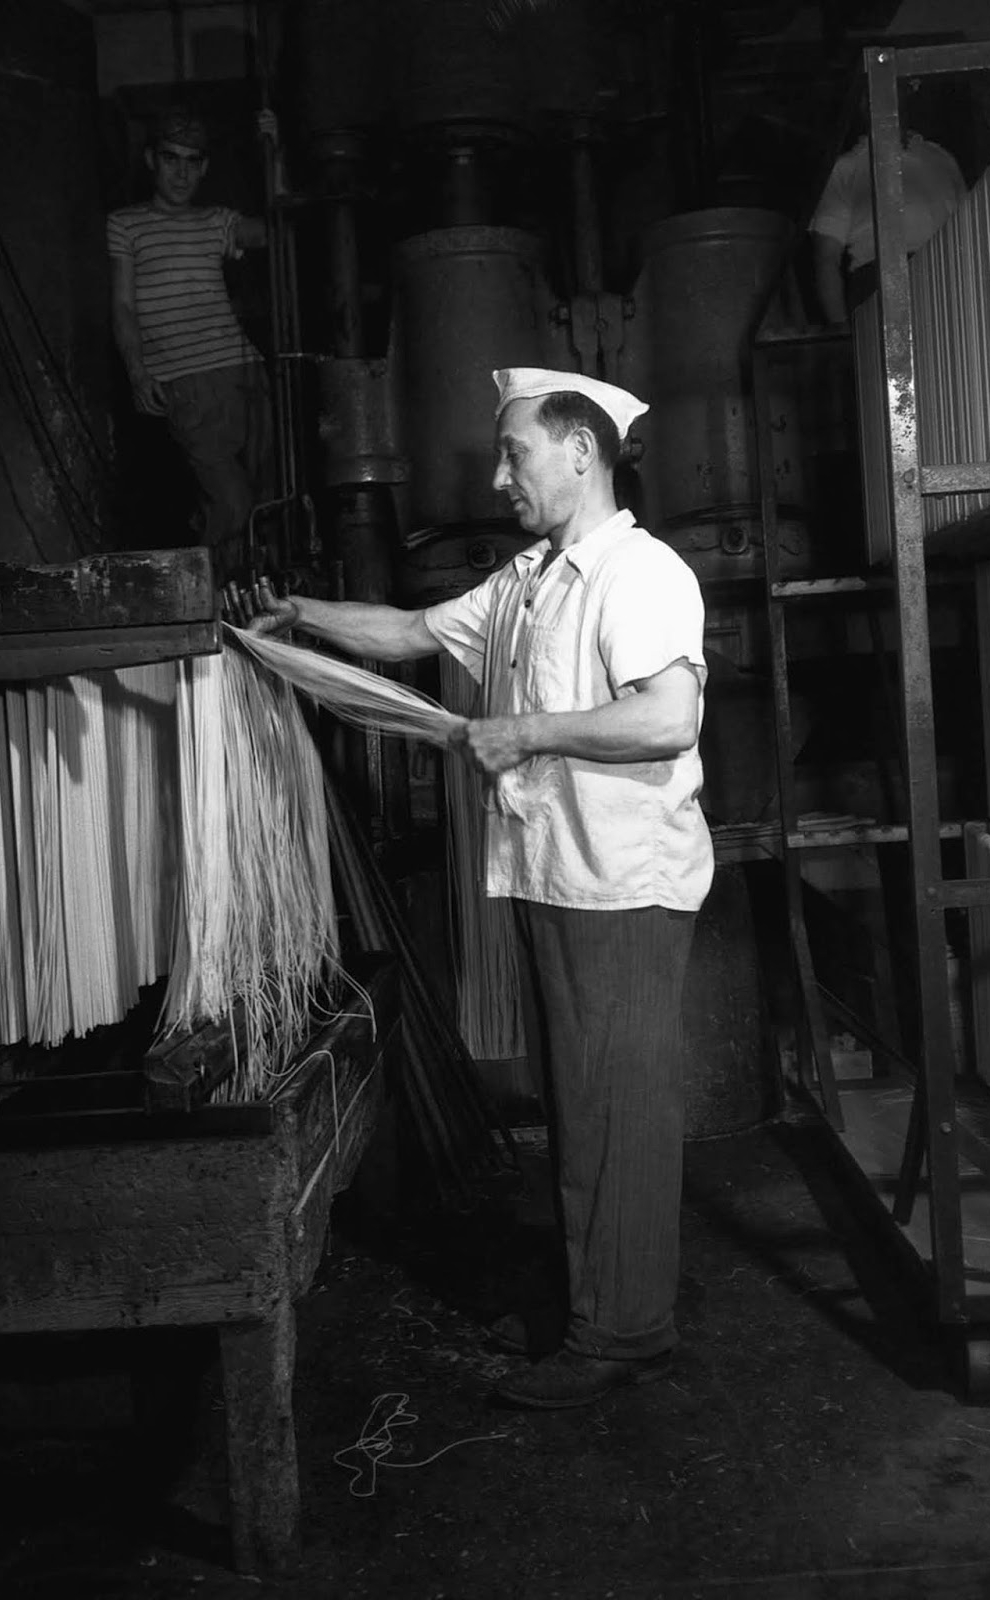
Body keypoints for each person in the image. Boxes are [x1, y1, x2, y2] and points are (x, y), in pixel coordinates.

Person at [251, 367, 714, 1410]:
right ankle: (596, 1303)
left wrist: (525, 730)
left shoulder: (636, 574)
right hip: (563, 879)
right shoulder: (530, 580)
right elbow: (414, 634)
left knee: (618, 1113)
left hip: (623, 888)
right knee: (581, 1108)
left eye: (517, 453)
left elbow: (665, 720)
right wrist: (300, 619)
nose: (501, 475)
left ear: (582, 451)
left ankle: (627, 1334)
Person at [106, 105, 277, 577]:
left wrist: (272, 153)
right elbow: (122, 307)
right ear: (150, 160)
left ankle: (265, 607)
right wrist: (137, 371)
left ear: (203, 167)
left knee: (270, 504)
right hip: (186, 385)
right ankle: (217, 613)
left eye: (191, 162)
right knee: (233, 504)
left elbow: (277, 229)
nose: (181, 172)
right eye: (170, 159)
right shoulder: (125, 225)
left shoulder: (215, 221)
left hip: (245, 373)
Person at [810, 124, 966, 323]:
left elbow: (970, 228)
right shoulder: (845, 168)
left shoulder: (941, 157)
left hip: (950, 280)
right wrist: (842, 333)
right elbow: (826, 259)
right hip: (883, 285)